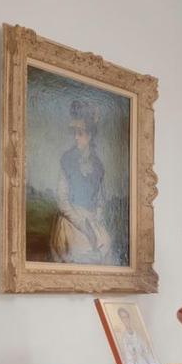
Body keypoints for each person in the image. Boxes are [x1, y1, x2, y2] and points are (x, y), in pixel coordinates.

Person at [51, 98, 113, 263]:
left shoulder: (98, 166)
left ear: (90, 135)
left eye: (81, 133)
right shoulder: (67, 160)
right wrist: (81, 223)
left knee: (106, 245)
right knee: (79, 251)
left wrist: (95, 220)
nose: (76, 138)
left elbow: (101, 199)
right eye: (74, 134)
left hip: (92, 221)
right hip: (71, 221)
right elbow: (62, 198)